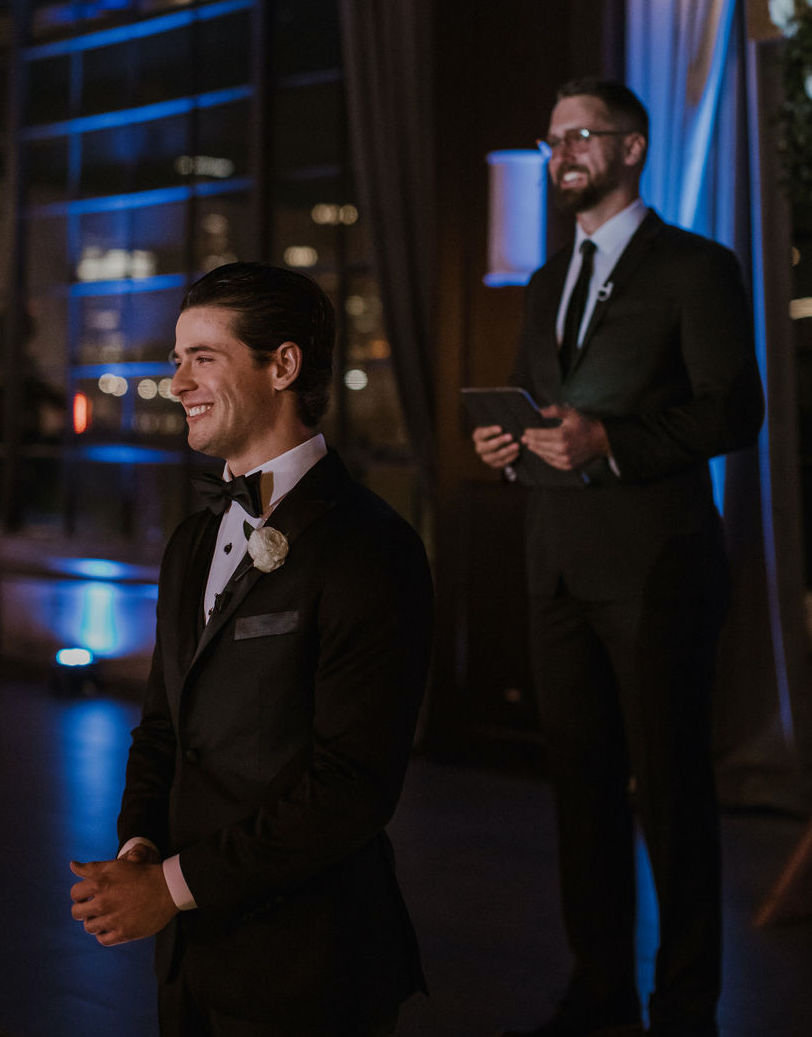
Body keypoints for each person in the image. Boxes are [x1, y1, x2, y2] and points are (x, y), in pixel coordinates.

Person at [70, 262, 433, 1036]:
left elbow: (352, 788)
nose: (178, 383)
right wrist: (141, 844)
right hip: (193, 959)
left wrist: (170, 885)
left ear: (283, 365)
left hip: (312, 964)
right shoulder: (192, 539)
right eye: (176, 359)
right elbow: (164, 726)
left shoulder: (372, 547)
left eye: (203, 357)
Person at [472, 79, 763, 1037]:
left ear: (632, 149)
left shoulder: (697, 266)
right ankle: (599, 989)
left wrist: (615, 442)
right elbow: (540, 400)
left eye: (582, 135)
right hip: (554, 559)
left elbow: (735, 408)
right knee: (581, 791)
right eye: (554, 137)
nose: (563, 152)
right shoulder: (547, 278)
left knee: (673, 799)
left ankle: (686, 1008)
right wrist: (510, 446)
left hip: (657, 566)